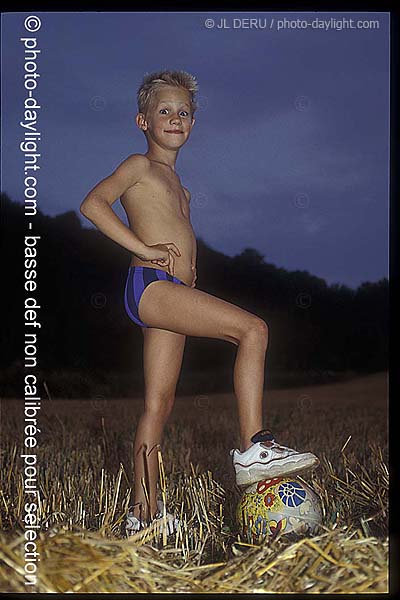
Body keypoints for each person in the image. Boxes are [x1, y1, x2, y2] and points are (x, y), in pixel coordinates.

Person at [80, 70, 319, 537]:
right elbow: (93, 205)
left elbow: (178, 234)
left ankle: (143, 515)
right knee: (253, 330)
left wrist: (189, 272)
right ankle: (253, 447)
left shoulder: (181, 188)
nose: (175, 118)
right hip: (151, 284)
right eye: (164, 110)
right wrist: (144, 249)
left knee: (159, 404)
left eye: (183, 112)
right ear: (142, 121)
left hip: (172, 292)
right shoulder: (138, 166)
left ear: (193, 123)